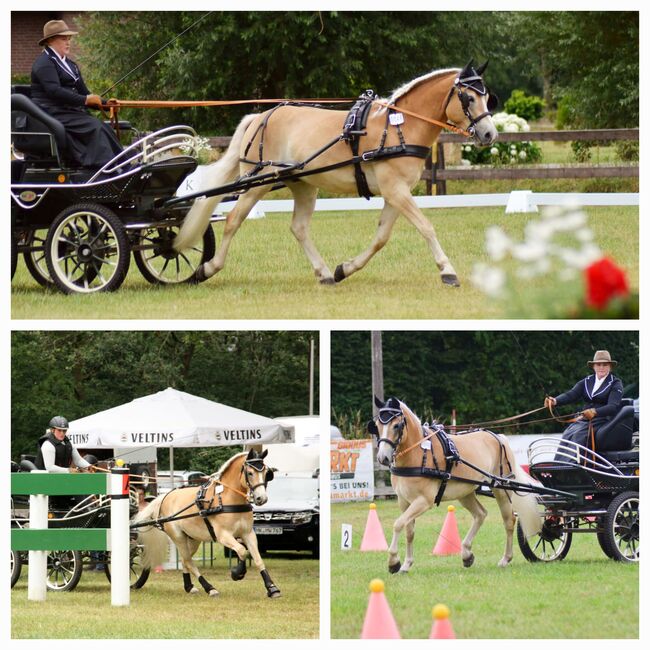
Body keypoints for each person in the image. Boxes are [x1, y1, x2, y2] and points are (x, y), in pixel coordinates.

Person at [30, 20, 123, 169]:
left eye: (69, 39)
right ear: (50, 41)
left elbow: (84, 93)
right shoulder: (44, 63)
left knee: (104, 127)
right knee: (95, 126)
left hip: (69, 112)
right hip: (50, 112)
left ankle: (121, 164)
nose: (68, 43)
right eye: (63, 39)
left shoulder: (71, 65)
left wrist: (107, 105)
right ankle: (105, 169)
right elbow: (54, 91)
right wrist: (86, 100)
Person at [544, 350, 633, 456]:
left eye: (605, 365)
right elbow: (571, 394)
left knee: (578, 435)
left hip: (603, 420)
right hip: (585, 419)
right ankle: (560, 465)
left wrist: (595, 412)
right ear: (593, 366)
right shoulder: (587, 381)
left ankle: (576, 465)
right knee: (568, 433)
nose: (601, 367)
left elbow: (612, 407)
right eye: (598, 364)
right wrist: (555, 401)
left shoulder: (615, 383)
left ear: (610, 367)